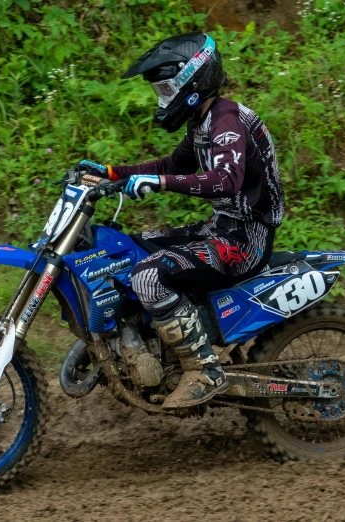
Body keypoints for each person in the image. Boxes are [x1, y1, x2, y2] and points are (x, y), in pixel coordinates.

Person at [75, 32, 284, 409]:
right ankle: (153, 341)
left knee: (148, 275)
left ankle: (204, 368)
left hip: (245, 240)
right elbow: (171, 165)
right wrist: (110, 172)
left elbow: (226, 180)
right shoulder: (203, 121)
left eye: (167, 86)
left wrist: (160, 183)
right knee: (133, 249)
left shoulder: (228, 121)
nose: (163, 96)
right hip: (223, 229)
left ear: (194, 79)